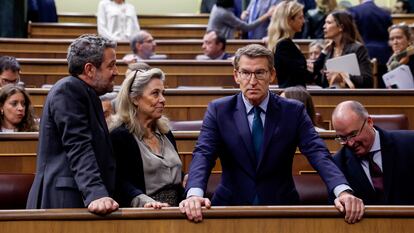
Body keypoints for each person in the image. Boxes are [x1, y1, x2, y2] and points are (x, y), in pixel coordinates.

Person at [179, 44, 364, 223]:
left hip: (282, 208)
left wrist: (342, 191)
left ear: (272, 75)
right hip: (230, 208)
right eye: (245, 73)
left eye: (259, 73)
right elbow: (204, 153)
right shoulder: (219, 110)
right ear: (236, 75)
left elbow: (318, 153)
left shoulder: (293, 111)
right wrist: (194, 195)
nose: (252, 81)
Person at [26, 34, 119, 215]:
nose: (116, 71)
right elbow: (78, 144)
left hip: (75, 197)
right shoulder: (69, 89)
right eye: (111, 65)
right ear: (90, 69)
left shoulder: (85, 93)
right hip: (63, 201)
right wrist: (95, 193)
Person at [109, 68, 183, 208]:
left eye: (163, 93)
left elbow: (175, 179)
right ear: (135, 99)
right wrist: (145, 202)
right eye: (155, 94)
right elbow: (119, 183)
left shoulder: (165, 133)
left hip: (175, 211)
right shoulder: (120, 136)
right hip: (144, 213)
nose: (163, 99)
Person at [331, 100, 414, 204]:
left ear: (369, 122)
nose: (350, 143)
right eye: (343, 138)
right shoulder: (337, 164)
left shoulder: (410, 144)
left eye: (353, 134)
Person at [313, 11, 372, 88]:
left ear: (341, 27)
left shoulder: (358, 49)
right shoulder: (328, 50)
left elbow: (367, 81)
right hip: (330, 96)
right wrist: (323, 52)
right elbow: (319, 78)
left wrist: (342, 77)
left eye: (328, 23)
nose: (324, 26)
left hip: (352, 96)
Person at [267, 1, 315, 87]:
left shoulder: (285, 44)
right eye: (300, 18)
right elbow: (299, 75)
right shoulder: (284, 45)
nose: (303, 21)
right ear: (289, 20)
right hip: (292, 94)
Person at [348, 0, 392, 88]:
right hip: (385, 54)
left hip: (364, 53)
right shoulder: (385, 12)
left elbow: (353, 34)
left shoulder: (354, 11)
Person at [207, 0, 274, 39]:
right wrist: (266, 15)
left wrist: (242, 17)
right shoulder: (224, 13)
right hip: (218, 42)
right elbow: (247, 27)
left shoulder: (216, 7)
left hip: (216, 40)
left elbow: (235, 22)